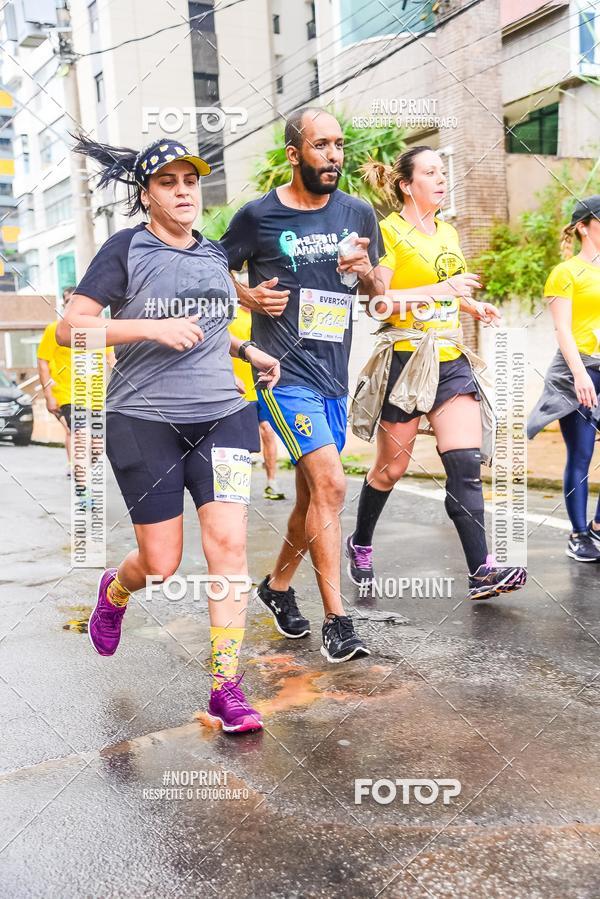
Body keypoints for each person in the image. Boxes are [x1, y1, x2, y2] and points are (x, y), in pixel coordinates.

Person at [57, 135, 280, 733]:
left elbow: (205, 326)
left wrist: (245, 348)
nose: (183, 192)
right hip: (143, 420)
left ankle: (226, 688)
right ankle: (115, 591)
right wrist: (148, 330)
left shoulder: (211, 254)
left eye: (190, 181)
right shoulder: (125, 249)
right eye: (167, 183)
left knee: (228, 548)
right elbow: (68, 328)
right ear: (146, 193)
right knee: (161, 562)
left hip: (223, 416)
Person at [220, 107, 384, 662]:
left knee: (314, 495)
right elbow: (209, 269)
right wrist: (248, 297)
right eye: (321, 146)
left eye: (340, 145)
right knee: (334, 485)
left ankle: (277, 587)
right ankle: (339, 621)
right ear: (295, 154)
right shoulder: (258, 217)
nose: (335, 155)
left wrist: (363, 271)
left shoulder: (358, 213)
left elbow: (377, 289)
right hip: (281, 374)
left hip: (331, 374)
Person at [346, 146, 527, 601]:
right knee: (391, 470)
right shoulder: (388, 232)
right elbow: (378, 303)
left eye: (443, 172)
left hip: (449, 359)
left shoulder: (447, 231)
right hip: (404, 360)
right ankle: (360, 542)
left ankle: (481, 570)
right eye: (431, 173)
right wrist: (442, 289)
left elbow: (453, 289)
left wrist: (471, 304)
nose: (442, 179)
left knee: (464, 465)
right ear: (407, 185)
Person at [528, 195, 600, 562]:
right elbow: (562, 330)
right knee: (582, 453)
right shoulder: (566, 272)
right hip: (579, 370)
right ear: (583, 227)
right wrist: (580, 376)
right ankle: (579, 533)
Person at [37, 287, 114, 479]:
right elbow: (43, 361)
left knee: (97, 445)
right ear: (65, 304)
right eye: (69, 301)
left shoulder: (100, 330)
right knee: (81, 435)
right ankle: (81, 479)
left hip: (96, 396)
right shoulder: (55, 330)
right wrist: (49, 396)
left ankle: (83, 469)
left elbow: (112, 360)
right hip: (68, 393)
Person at [229, 303, 286, 500]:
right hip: (238, 388)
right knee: (238, 439)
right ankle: (234, 486)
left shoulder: (264, 317)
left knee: (268, 432)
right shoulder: (231, 313)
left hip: (261, 386)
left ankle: (272, 482)